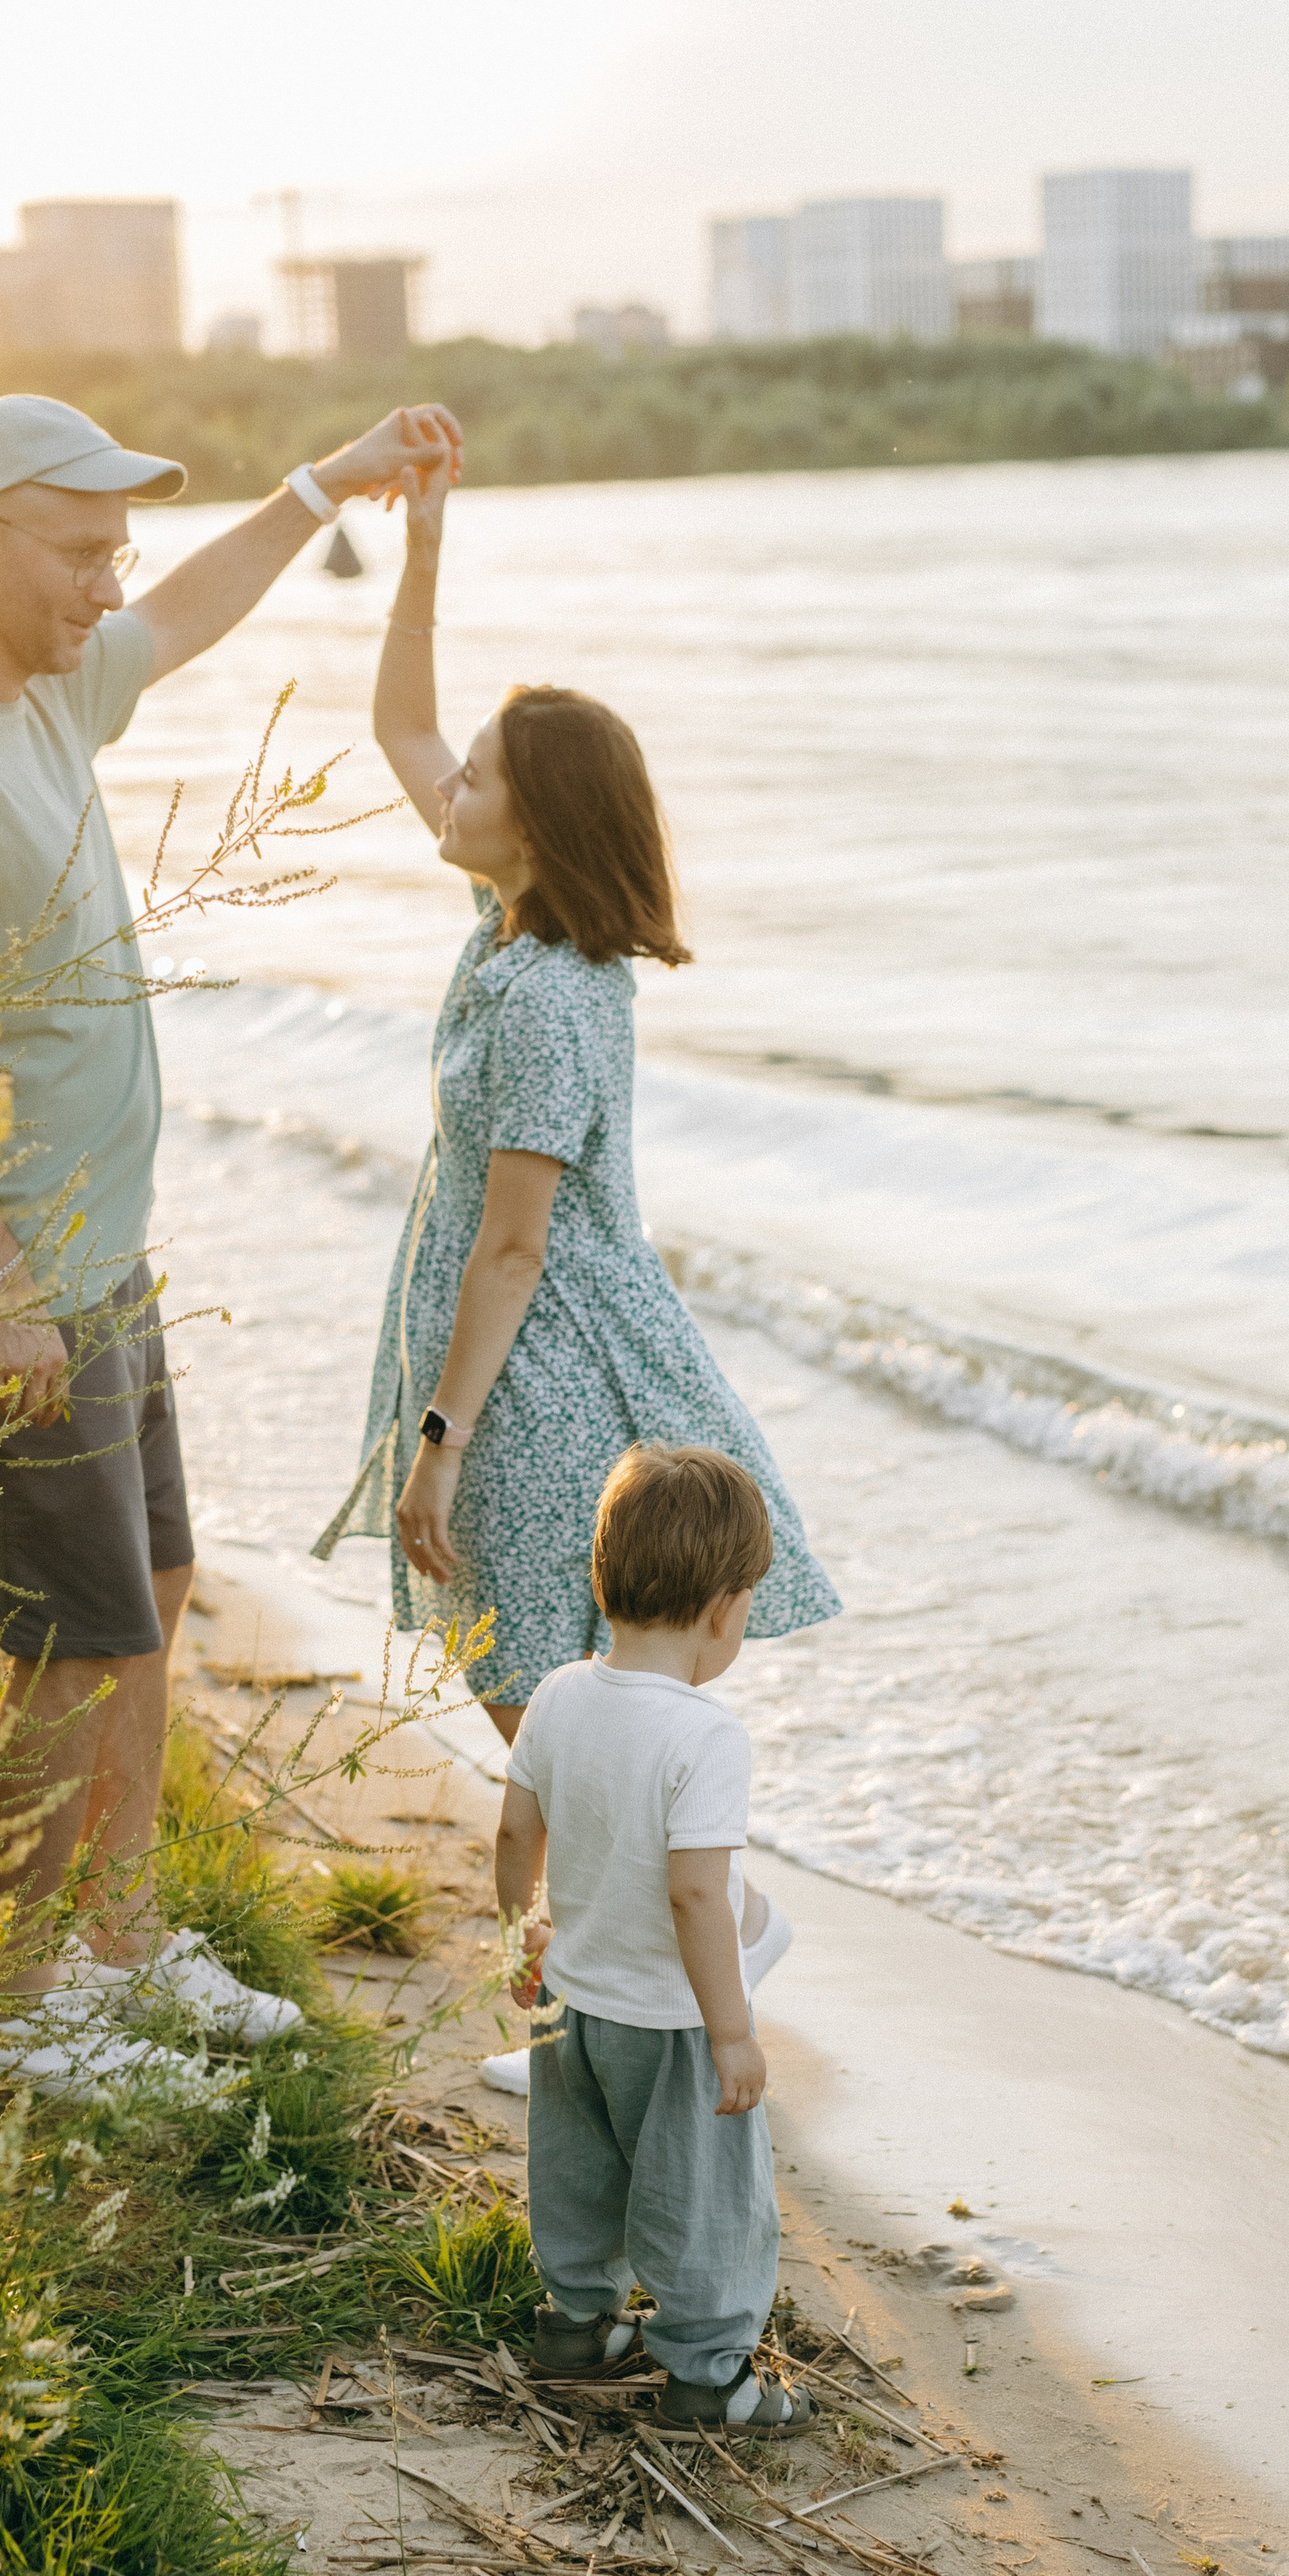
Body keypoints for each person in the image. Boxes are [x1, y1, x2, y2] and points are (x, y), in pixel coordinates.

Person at [0, 389, 460, 2094]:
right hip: (9, 1293)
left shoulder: (45, 692)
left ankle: (119, 1942)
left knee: (149, 1595)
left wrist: (327, 482)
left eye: (116, 548)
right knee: (68, 1640)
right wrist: (10, 1290)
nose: (114, 581)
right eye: (81, 549)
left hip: (100, 1263)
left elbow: (190, 610)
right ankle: (15, 2002)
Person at [312, 453, 840, 1733]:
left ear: (537, 830)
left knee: (557, 1731)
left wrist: (439, 1446)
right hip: (514, 1367)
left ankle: (637, 1931)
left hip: (537, 1389)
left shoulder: (546, 997)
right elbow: (399, 727)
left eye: (479, 780)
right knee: (565, 1735)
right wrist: (426, 552)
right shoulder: (510, 932)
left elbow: (512, 1245)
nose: (450, 786)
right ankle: (591, 1934)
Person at [493, 1444, 813, 2432]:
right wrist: (731, 2032)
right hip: (670, 2023)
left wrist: (523, 1938)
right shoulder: (704, 1735)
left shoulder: (556, 1695)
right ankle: (706, 2377)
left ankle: (574, 2327)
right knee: (700, 2199)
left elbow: (513, 1834)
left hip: (571, 2002)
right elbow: (695, 1897)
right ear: (723, 1608)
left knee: (579, 2169)